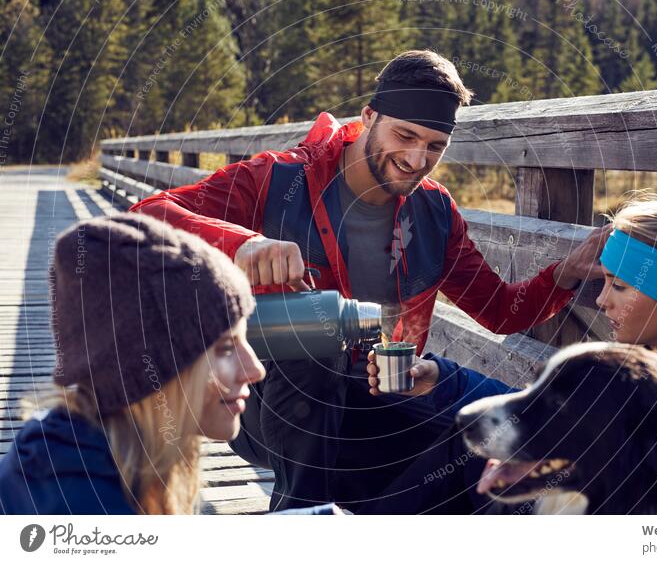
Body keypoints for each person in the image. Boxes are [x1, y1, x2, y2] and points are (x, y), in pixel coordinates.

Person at [129, 49, 606, 511]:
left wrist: (564, 274)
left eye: (435, 146)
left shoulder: (436, 212)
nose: (417, 160)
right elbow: (144, 219)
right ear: (369, 117)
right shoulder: (275, 181)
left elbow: (501, 311)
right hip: (266, 403)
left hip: (376, 406)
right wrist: (241, 243)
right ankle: (302, 521)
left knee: (478, 455)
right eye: (405, 135)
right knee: (315, 345)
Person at [364, 194, 657, 512]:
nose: (600, 301)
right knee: (475, 451)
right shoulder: (650, 361)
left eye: (621, 286)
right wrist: (444, 380)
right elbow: (557, 410)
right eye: (604, 281)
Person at [0, 214, 339, 515]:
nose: (255, 370)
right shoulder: (72, 502)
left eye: (245, 342)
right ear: (148, 368)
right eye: (223, 348)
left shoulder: (90, 459)